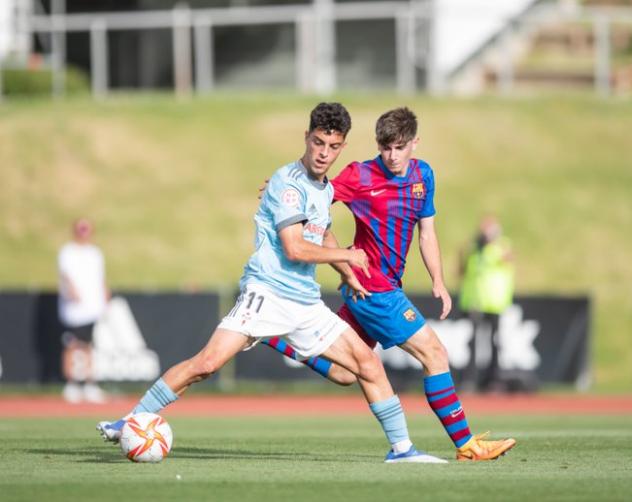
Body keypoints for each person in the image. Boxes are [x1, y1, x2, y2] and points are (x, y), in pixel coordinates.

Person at [97, 103, 443, 464]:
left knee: (367, 365)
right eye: (319, 142)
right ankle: (130, 421)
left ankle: (402, 450)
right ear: (306, 138)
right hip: (266, 294)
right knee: (207, 364)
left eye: (334, 146)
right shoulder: (288, 184)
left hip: (305, 303)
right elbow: (294, 248)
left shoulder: (324, 189)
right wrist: (347, 256)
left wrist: (348, 275)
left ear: (342, 147)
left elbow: (322, 232)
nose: (324, 153)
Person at [262, 107, 516, 461]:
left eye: (399, 147)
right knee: (435, 353)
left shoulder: (423, 175)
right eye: (385, 148)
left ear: (414, 143)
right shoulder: (359, 175)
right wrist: (281, 190)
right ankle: (466, 444)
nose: (392, 156)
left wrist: (438, 281)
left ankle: (273, 334)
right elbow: (313, 196)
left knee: (344, 372)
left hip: (375, 289)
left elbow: (426, 232)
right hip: (373, 287)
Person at [458, 215, 514, 392]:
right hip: (476, 301)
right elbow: (462, 269)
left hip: (495, 302)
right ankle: (470, 380)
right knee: (472, 341)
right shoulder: (474, 249)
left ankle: (494, 379)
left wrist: (493, 244)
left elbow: (508, 259)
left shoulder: (500, 247)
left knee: (495, 341)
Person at [57, 218, 109, 403]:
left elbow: (101, 278)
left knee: (87, 346)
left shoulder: (95, 253)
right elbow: (65, 275)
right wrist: (71, 290)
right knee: (71, 345)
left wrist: (105, 297)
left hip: (91, 308)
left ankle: (89, 385)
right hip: (73, 309)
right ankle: (71, 384)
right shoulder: (68, 252)